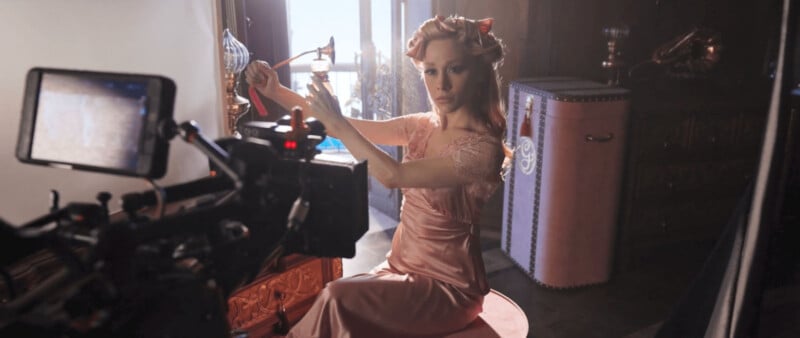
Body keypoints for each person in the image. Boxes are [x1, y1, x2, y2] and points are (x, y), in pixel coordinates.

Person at [245, 14, 511, 337]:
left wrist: (339, 124)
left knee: (335, 298)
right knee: (337, 299)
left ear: (478, 72)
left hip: (449, 288)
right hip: (398, 269)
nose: (440, 84)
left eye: (455, 68)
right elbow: (350, 125)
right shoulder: (422, 126)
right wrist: (277, 92)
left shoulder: (484, 150)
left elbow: (393, 175)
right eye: (430, 71)